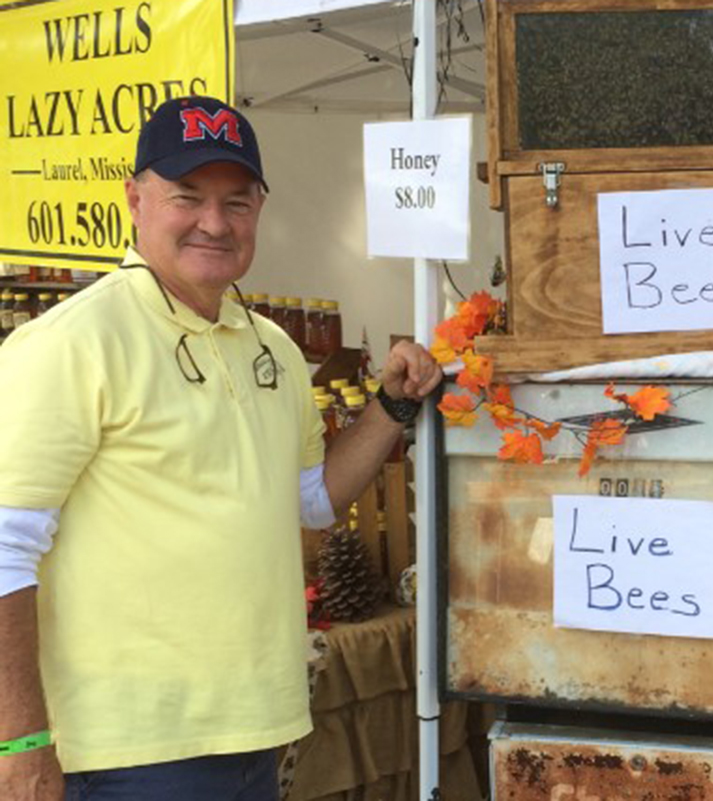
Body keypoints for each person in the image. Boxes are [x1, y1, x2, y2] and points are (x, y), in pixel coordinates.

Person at [0, 96, 442, 801]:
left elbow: (312, 499)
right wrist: (19, 744)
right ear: (135, 200)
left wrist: (391, 406)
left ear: (260, 208)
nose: (214, 221)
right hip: (124, 750)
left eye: (236, 201)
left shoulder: (273, 347)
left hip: (255, 733)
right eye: (187, 197)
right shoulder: (70, 343)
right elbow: (4, 546)